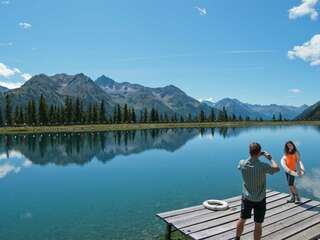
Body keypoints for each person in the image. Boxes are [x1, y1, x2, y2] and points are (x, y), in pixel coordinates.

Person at [235, 143, 280, 240]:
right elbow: (277, 168)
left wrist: (257, 154)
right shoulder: (263, 166)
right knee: (258, 224)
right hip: (260, 199)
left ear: (249, 152)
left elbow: (240, 166)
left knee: (242, 219)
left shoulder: (242, 163)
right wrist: (270, 158)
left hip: (247, 198)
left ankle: (237, 238)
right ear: (259, 152)